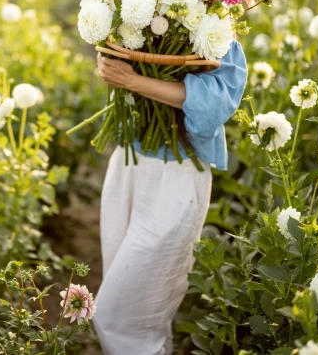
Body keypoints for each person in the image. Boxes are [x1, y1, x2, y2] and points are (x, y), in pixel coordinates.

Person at [92, 40, 248, 355]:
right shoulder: (144, 3)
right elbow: (110, 61)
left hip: (177, 175)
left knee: (117, 315)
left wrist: (134, 81)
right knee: (140, 317)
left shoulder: (218, 29)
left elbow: (213, 107)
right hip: (127, 162)